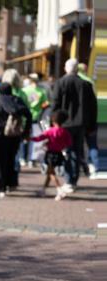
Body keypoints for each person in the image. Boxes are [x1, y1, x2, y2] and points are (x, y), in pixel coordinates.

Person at [52, 58, 97, 193]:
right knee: (77, 151)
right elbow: (92, 107)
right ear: (77, 69)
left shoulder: (60, 83)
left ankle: (69, 179)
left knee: (67, 151)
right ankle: (73, 179)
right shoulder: (86, 85)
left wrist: (53, 122)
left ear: (66, 68)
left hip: (65, 124)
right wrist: (91, 125)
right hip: (81, 123)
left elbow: (55, 104)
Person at [0, 83, 31, 198]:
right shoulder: (17, 100)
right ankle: (9, 184)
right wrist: (25, 131)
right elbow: (28, 114)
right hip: (14, 136)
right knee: (10, 160)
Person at [31, 111, 72, 201]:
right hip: (59, 153)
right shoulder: (64, 132)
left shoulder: (50, 131)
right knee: (50, 172)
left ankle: (59, 189)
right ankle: (43, 189)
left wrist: (30, 138)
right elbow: (69, 143)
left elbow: (39, 138)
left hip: (50, 154)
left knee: (51, 173)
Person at [77, 63, 99, 179]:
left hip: (77, 120)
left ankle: (82, 166)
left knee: (78, 145)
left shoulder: (74, 80)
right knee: (92, 145)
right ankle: (95, 167)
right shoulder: (90, 82)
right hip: (89, 118)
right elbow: (94, 103)